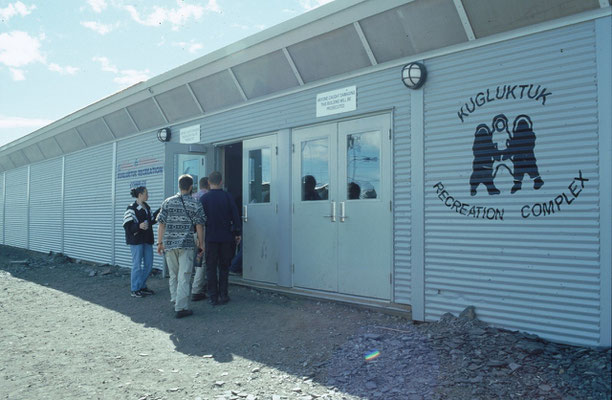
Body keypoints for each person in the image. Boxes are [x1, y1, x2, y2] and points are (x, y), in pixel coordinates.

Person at [156, 175, 205, 318]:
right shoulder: (195, 203)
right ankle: (181, 307)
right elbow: (199, 225)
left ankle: (175, 299)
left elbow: (161, 223)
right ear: (191, 187)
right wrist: (201, 244)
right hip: (186, 244)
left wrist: (159, 243)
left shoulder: (167, 202)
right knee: (184, 275)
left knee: (174, 274)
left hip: (169, 244)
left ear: (179, 186)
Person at [201, 171, 241, 306]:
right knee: (224, 267)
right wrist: (237, 233)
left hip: (211, 238)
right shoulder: (228, 197)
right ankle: (224, 295)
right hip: (226, 238)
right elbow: (235, 216)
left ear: (208, 183)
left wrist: (200, 239)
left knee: (211, 268)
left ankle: (213, 297)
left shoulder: (204, 199)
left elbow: (200, 221)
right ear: (221, 182)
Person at [123, 186, 158, 298]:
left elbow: (152, 220)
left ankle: (142, 286)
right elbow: (127, 226)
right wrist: (139, 226)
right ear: (140, 195)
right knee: (137, 265)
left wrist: (161, 209)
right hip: (136, 241)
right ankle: (135, 289)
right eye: (146, 193)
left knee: (148, 265)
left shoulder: (147, 207)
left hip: (147, 240)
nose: (148, 195)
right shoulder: (131, 208)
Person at [191, 176, 210, 301]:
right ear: (208, 184)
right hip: (201, 232)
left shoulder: (192, 197)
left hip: (190, 233)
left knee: (193, 260)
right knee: (201, 260)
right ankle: (197, 289)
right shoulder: (208, 197)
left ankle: (190, 286)